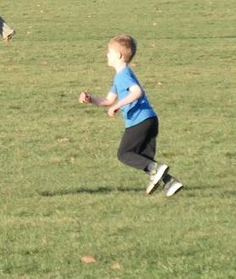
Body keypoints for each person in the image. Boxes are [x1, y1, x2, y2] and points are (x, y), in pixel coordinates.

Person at [79, 34, 184, 197]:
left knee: (124, 154)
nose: (106, 54)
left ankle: (156, 170)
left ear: (119, 56)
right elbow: (108, 100)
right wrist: (91, 99)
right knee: (142, 158)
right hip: (150, 120)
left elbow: (136, 92)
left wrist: (118, 106)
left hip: (139, 121)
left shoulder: (123, 76)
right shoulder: (120, 76)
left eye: (109, 52)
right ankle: (170, 183)